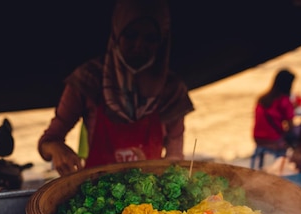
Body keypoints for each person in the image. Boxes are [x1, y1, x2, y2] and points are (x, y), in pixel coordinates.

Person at [38, 0, 194, 176]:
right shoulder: (88, 79)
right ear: (117, 32)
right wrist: (58, 148)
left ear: (162, 41)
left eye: (150, 38)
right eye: (131, 35)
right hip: (96, 190)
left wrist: (153, 172)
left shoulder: (172, 90)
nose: (139, 45)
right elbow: (47, 142)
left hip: (147, 195)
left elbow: (175, 158)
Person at [251, 69, 298, 169]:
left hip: (257, 138)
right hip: (274, 141)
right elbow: (291, 127)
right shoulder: (284, 101)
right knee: (299, 135)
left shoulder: (262, 98)